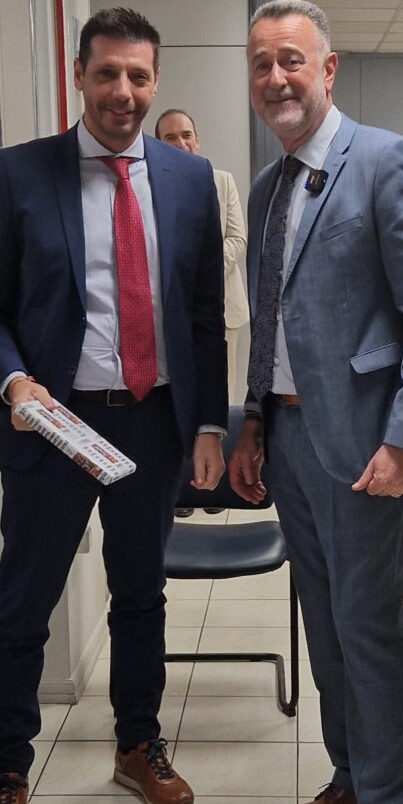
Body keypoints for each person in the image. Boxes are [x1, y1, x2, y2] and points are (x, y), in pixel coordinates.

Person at [0, 7, 228, 804]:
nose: (123, 91)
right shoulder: (19, 173)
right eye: (107, 72)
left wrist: (208, 422)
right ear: (79, 75)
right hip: (53, 427)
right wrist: (15, 383)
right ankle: (8, 771)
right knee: (25, 605)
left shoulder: (188, 179)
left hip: (151, 422)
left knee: (141, 595)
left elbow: (202, 317)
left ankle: (135, 744)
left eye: (138, 76)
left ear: (154, 82)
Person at [229, 0, 403, 804]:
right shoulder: (270, 185)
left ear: (327, 69)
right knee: (324, 628)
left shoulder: (387, 161)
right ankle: (351, 779)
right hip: (289, 441)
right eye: (260, 64)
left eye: (291, 60)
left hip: (365, 450)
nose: (274, 78)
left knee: (368, 630)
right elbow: (271, 321)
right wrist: (251, 422)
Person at [155, 107, 248, 518]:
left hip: (221, 310)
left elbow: (237, 239)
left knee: (218, 399)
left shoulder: (221, 180)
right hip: (169, 317)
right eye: (170, 137)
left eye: (186, 135)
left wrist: (199, 272)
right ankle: (184, 488)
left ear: (198, 138)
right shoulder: (151, 184)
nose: (181, 144)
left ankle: (216, 485)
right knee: (175, 402)